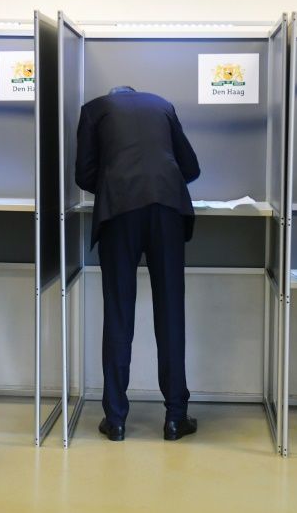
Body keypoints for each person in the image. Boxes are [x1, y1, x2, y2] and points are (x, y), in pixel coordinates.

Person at [76, 86, 200, 442]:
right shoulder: (164, 104)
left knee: (118, 311)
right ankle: (176, 417)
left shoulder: (93, 109)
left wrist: (117, 175)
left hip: (118, 211)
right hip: (167, 208)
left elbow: (83, 175)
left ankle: (115, 419)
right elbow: (190, 167)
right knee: (170, 311)